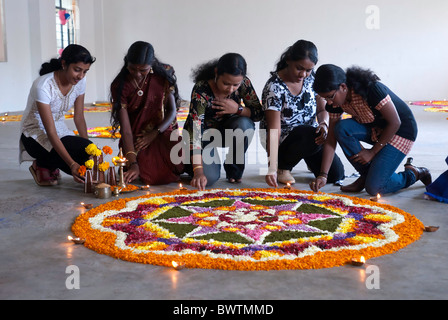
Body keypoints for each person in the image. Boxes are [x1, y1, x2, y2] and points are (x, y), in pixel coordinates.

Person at [310, 64, 431, 195]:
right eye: (324, 98)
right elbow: (331, 138)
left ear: (343, 87)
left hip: (400, 131)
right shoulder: (335, 103)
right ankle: (367, 175)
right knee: (341, 128)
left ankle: (413, 173)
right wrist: (323, 175)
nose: (328, 102)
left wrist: (372, 152)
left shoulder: (371, 89)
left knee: (375, 188)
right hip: (376, 129)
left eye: (330, 96)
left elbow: (395, 122)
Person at [261, 40, 345, 187]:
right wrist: (272, 166)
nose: (303, 74)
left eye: (309, 70)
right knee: (308, 133)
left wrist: (324, 124)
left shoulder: (311, 80)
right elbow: (274, 130)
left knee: (335, 174)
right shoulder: (274, 87)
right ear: (288, 60)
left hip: (310, 138)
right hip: (283, 142)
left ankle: (307, 155)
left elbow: (321, 109)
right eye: (299, 68)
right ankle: (283, 167)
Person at [183, 53, 263, 190]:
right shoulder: (201, 89)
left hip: (229, 131)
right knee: (209, 178)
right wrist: (198, 171)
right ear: (216, 73)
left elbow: (258, 114)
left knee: (245, 125)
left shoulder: (244, 84)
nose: (230, 89)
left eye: (235, 85)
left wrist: (238, 109)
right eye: (226, 83)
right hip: (204, 137)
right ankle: (187, 162)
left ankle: (234, 170)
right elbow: (195, 131)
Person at [20, 44, 96, 186]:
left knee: (88, 158)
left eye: (85, 72)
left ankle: (49, 163)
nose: (81, 76)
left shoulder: (80, 82)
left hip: (59, 130)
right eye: (77, 70)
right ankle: (42, 164)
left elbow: (79, 117)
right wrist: (72, 164)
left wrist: (87, 148)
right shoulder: (43, 86)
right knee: (74, 167)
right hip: (35, 135)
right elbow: (50, 132)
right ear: (64, 64)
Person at [110, 41, 184, 185]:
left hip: (162, 131)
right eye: (132, 69)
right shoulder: (120, 85)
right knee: (150, 175)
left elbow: (172, 110)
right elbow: (126, 130)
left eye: (143, 70)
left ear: (151, 65)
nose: (137, 74)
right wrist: (133, 163)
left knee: (179, 162)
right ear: (127, 64)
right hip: (136, 137)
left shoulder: (163, 75)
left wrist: (154, 133)